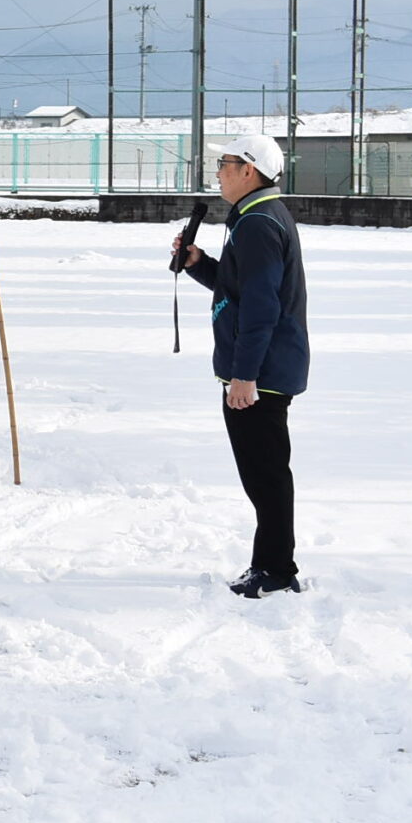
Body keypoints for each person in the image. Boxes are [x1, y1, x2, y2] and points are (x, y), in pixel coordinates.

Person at [176, 133, 311, 598]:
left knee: (266, 475)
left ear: (248, 170)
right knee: (264, 474)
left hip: (262, 375)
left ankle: (275, 570)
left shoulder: (257, 223)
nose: (218, 172)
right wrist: (198, 263)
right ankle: (272, 564)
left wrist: (245, 375)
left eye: (225, 163)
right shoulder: (256, 217)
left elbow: (261, 307)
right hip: (263, 369)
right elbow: (239, 290)